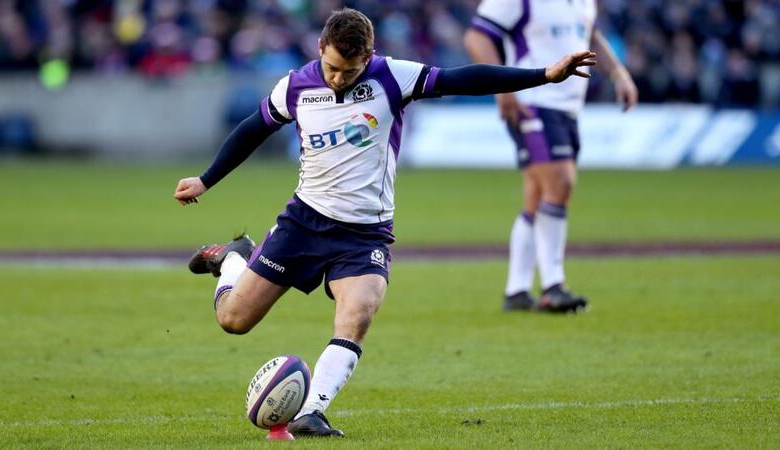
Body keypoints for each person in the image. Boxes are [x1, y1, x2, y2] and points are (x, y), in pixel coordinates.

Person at [174, 8, 595, 437]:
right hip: (302, 223)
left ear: (369, 55)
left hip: (364, 233)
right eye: (333, 68)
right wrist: (206, 180)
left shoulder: (393, 77)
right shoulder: (296, 86)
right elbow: (252, 129)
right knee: (234, 320)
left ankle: (311, 412)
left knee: (358, 312)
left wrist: (543, 74)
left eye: (351, 71)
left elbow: (464, 79)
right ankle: (233, 259)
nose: (340, 79)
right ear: (320, 49)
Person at [464, 0, 638, 313]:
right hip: (534, 100)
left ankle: (516, 290)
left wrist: (618, 74)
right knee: (561, 183)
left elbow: (591, 34)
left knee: (537, 195)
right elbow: (476, 38)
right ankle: (553, 286)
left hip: (568, 107)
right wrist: (503, 90)